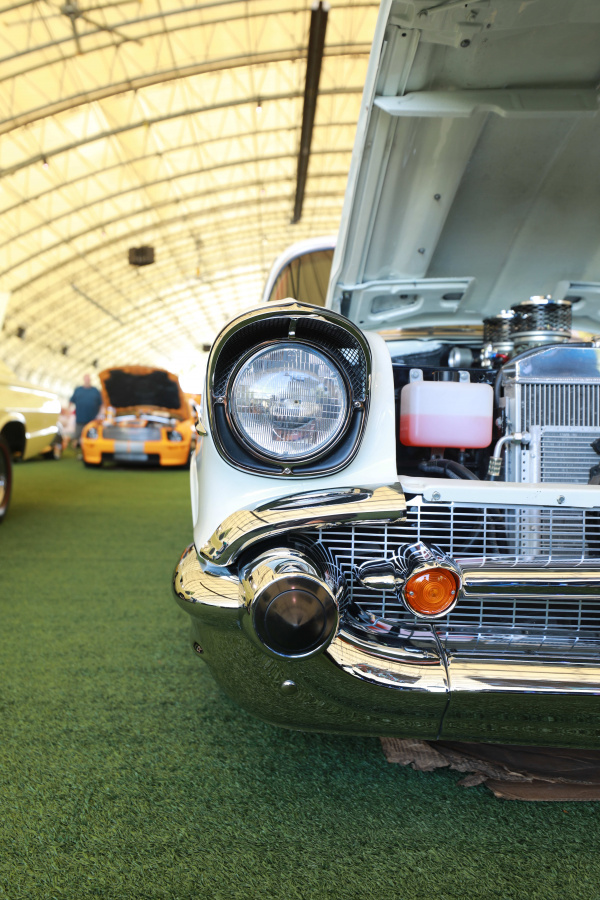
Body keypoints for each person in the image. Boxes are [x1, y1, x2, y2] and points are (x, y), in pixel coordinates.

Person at [69, 374, 102, 452]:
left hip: (92, 419)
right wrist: (68, 411)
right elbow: (71, 401)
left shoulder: (95, 390)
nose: (87, 380)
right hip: (80, 418)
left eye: (88, 379)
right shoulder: (78, 390)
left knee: (91, 435)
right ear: (84, 380)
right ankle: (75, 450)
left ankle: (91, 449)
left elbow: (101, 404)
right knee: (77, 435)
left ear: (90, 380)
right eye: (86, 379)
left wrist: (100, 414)